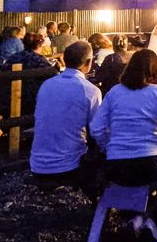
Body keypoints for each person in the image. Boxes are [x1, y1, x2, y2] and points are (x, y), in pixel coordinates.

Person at [91, 49, 157, 236]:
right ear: (156, 69)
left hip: (117, 165)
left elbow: (96, 128)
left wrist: (108, 146)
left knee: (136, 181)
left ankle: (136, 218)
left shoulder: (114, 92)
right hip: (153, 163)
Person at [30, 41, 103, 200]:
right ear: (89, 62)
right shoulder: (90, 90)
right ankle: (98, 202)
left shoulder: (47, 85)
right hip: (68, 166)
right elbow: (97, 130)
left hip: (37, 162)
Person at [0, 32, 56, 114]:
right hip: (31, 101)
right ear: (39, 45)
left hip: (8, 99)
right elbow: (51, 78)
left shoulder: (13, 58)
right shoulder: (39, 60)